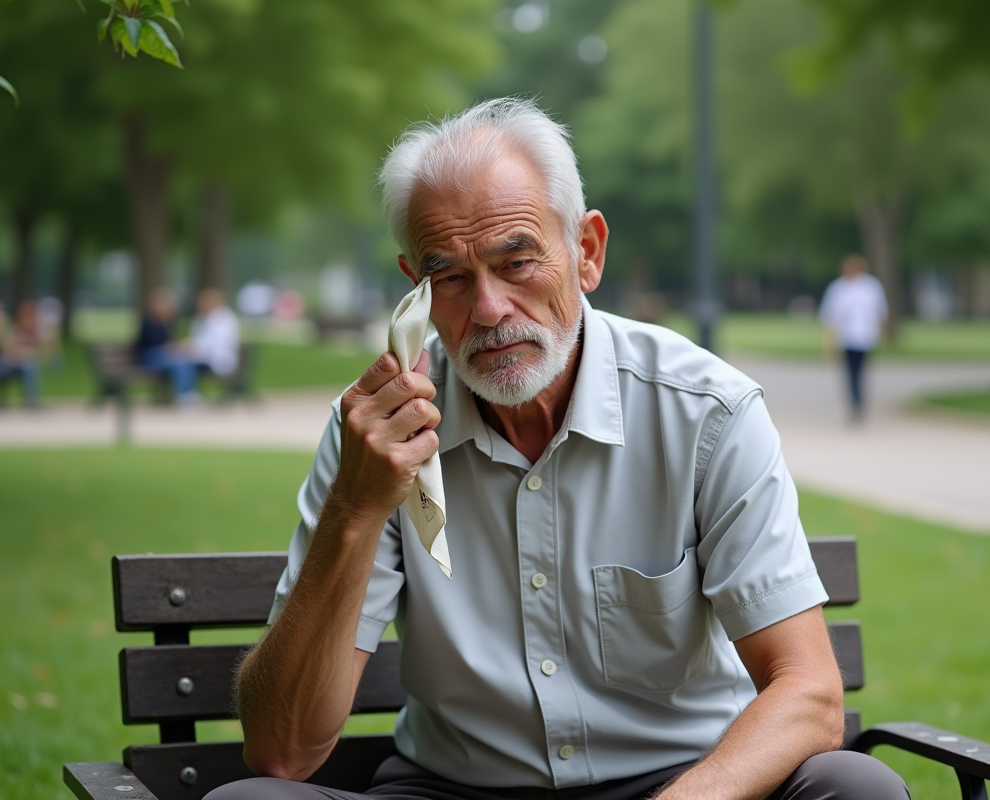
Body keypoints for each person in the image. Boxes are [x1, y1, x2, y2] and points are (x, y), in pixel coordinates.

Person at [213, 99, 908, 800]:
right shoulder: (376, 434)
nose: (487, 309)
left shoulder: (707, 413)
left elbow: (809, 693)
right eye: (450, 276)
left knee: (857, 788)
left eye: (516, 261)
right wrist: (355, 509)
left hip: (681, 783)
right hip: (455, 789)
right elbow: (282, 751)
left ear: (587, 251)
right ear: (414, 290)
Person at [818, 255, 888, 421]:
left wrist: (882, 332)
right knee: (850, 373)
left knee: (861, 371)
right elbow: (829, 316)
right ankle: (855, 404)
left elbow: (880, 311)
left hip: (866, 337)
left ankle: (860, 402)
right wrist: (829, 340)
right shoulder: (838, 288)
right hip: (846, 337)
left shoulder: (871, 286)